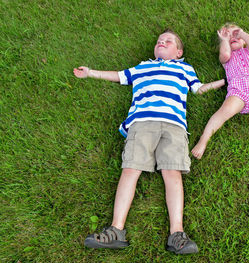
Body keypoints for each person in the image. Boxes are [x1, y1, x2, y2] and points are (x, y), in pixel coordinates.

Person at [73, 29, 224, 254]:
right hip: (142, 122)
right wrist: (91, 73)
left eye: (168, 41)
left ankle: (177, 234)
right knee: (130, 169)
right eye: (159, 41)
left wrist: (225, 81)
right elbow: (119, 76)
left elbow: (199, 89)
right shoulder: (143, 66)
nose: (162, 42)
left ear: (179, 51)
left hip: (174, 126)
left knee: (172, 172)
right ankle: (116, 230)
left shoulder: (184, 68)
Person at [191, 23, 249, 160]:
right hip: (238, 93)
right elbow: (224, 53)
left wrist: (241, 33)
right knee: (223, 112)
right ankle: (203, 140)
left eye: (235, 35)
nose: (232, 37)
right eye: (229, 38)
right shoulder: (226, 59)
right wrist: (224, 40)